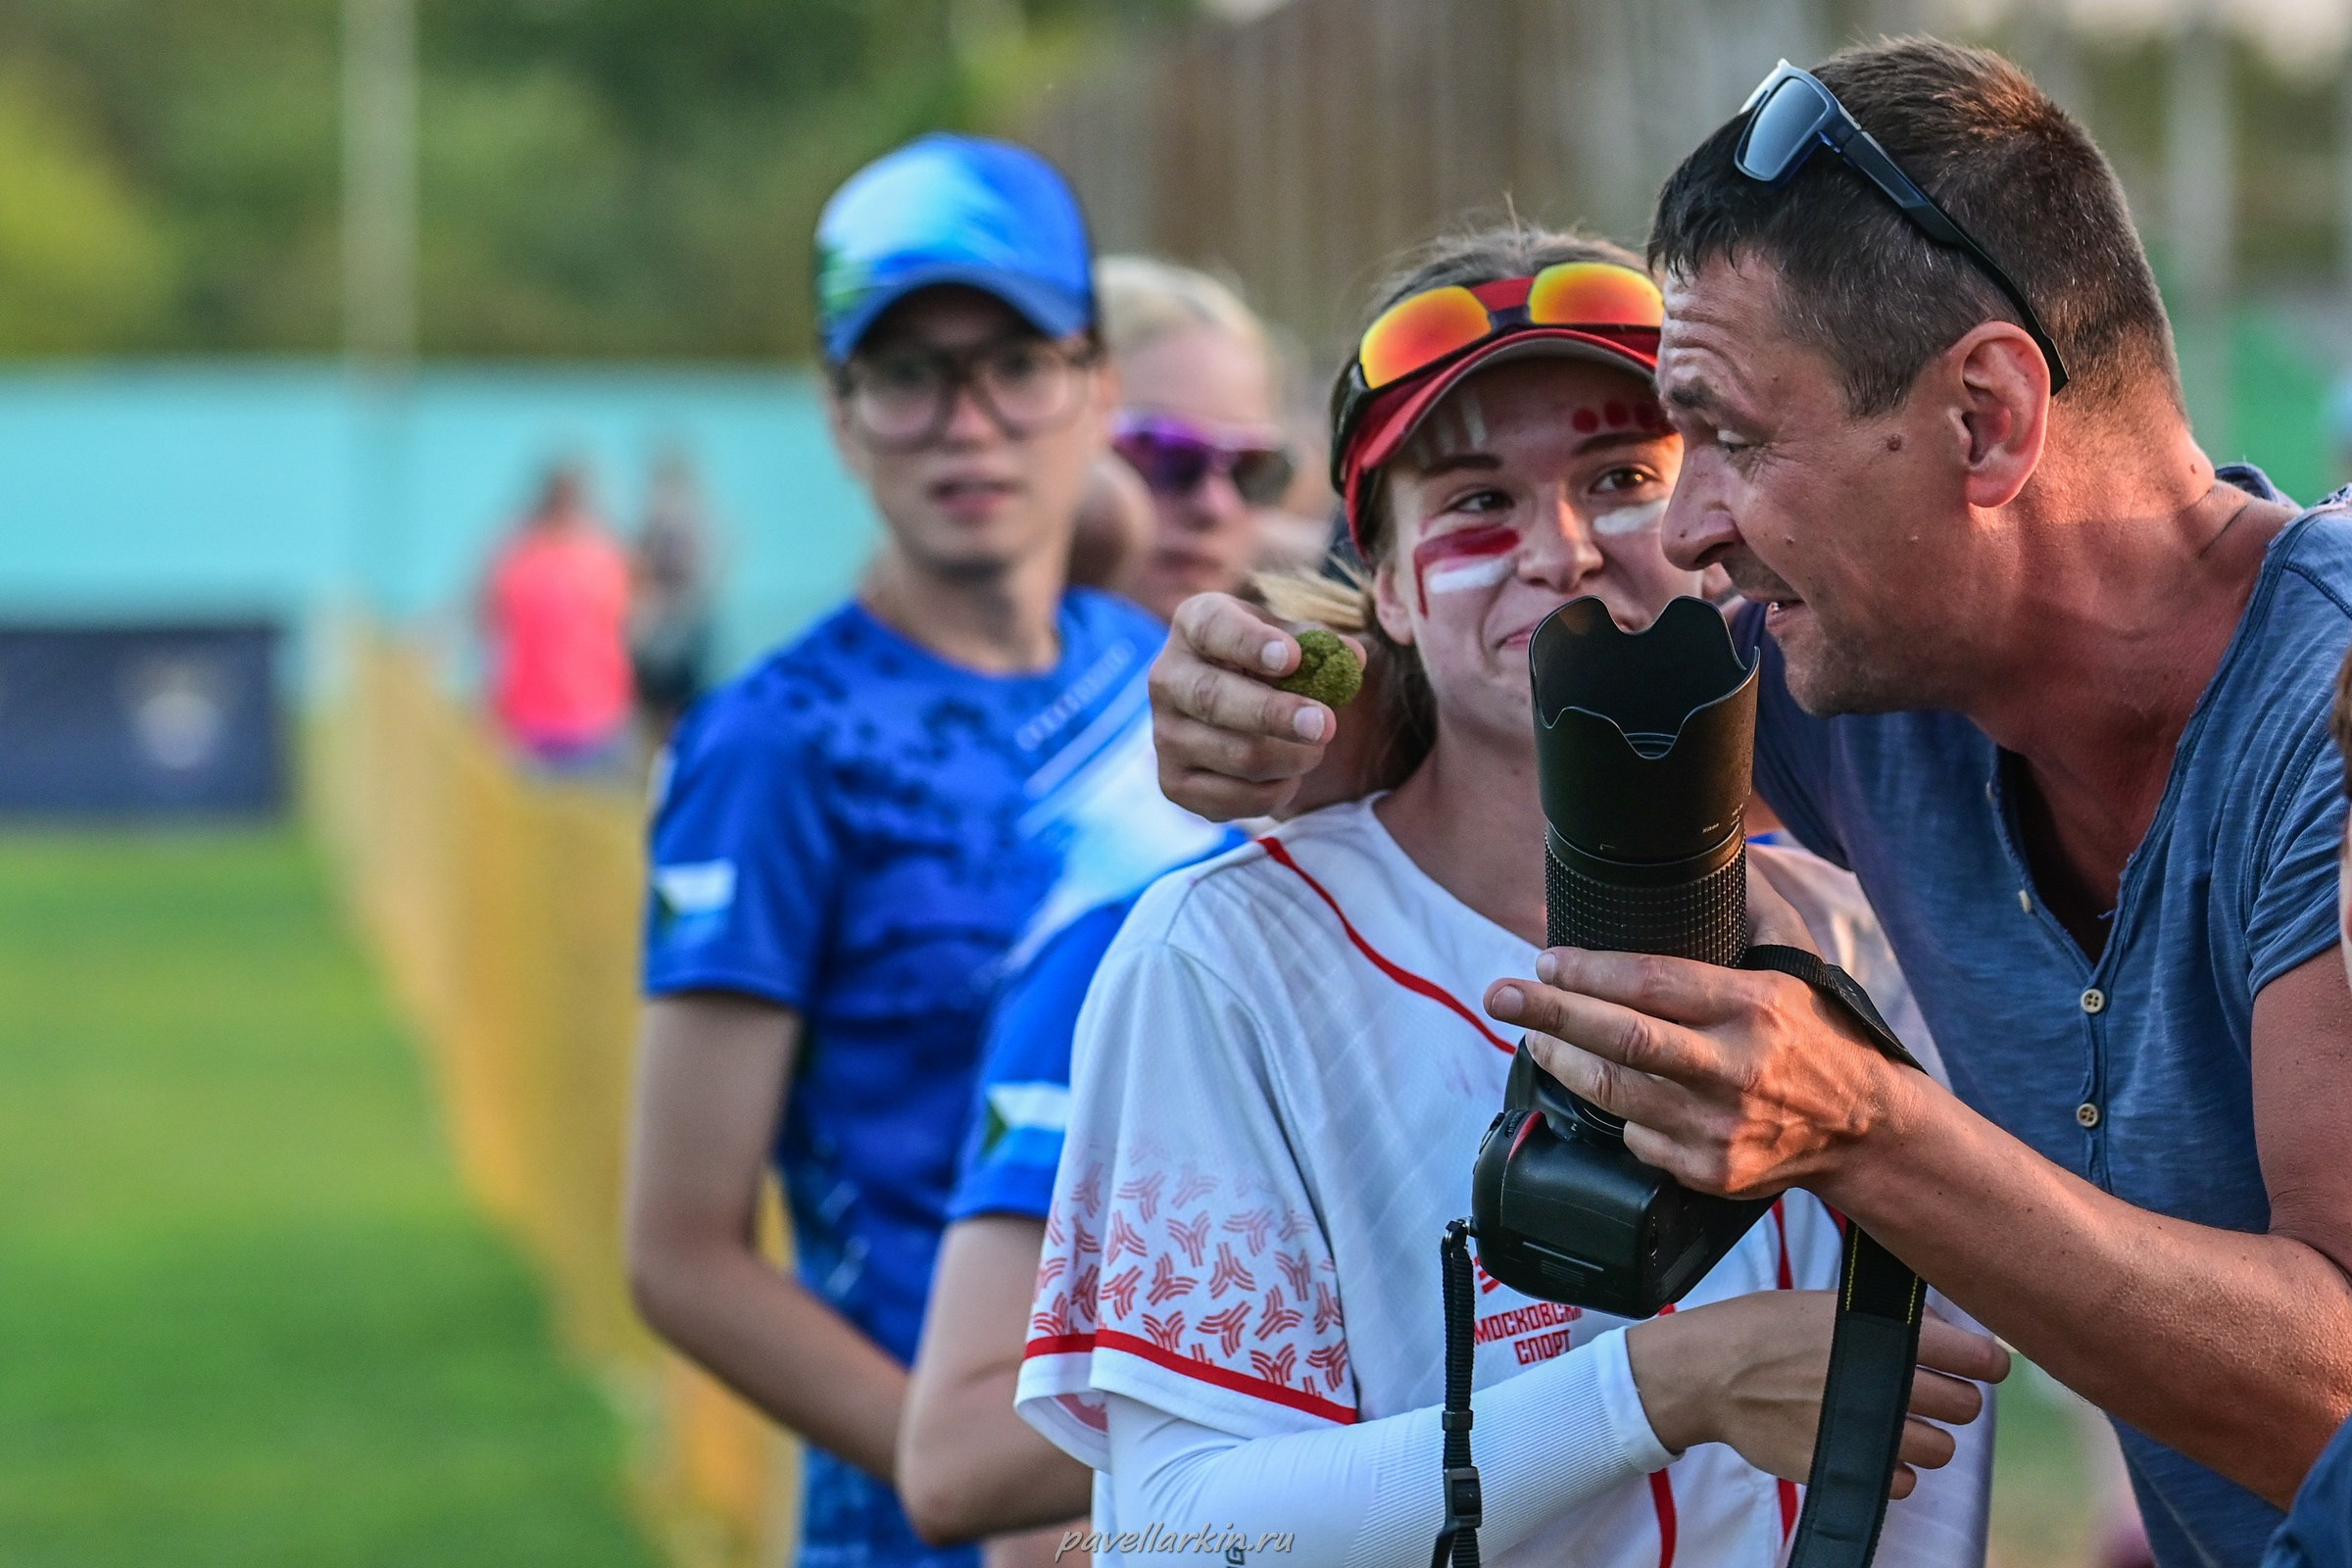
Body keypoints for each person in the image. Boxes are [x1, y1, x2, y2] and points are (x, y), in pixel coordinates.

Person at [1139, 40, 2352, 1568]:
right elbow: (1552, 662)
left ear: (1983, 419)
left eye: (1726, 437)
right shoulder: (1877, 663)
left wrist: (1865, 1128)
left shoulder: (2336, 715)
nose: (1692, 527)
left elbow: (2337, 1407)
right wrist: (1301, 696)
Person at [1011, 226, 2005, 1568]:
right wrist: (1656, 1392)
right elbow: (1179, 1530)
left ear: (1716, 520)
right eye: (1476, 501)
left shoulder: (1858, 932)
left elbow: (1938, 1451)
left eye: (1621, 476)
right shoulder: (1227, 960)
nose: (1565, 549)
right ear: (1387, 591)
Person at [623, 133, 1225, 1568]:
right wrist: (991, 1480)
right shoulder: (774, 747)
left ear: (1094, 389)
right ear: (839, 418)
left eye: (1015, 364)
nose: (967, 423)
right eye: (905, 375)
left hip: (1211, 1508)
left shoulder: (1171, 685)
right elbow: (683, 1255)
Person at [895, 259, 1291, 1552]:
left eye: (1253, 470)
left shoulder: (1304, 779)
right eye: (1162, 458)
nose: (1210, 508)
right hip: (934, 1430)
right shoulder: (896, 756)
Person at [481, 460, 634, 772]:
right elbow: (493, 631)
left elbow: (626, 630)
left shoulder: (603, 555)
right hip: (532, 724)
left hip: (596, 720)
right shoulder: (520, 556)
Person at [628, 447, 716, 740]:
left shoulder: (683, 528)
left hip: (681, 640)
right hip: (659, 640)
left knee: (679, 716)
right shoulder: (651, 528)